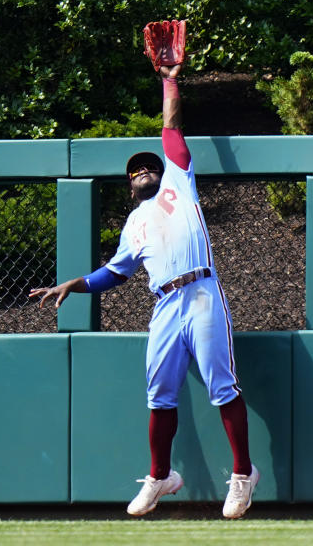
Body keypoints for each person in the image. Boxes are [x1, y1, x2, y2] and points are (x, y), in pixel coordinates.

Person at [29, 59, 259, 519]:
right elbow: (116, 273)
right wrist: (76, 284)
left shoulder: (179, 180)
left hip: (200, 292)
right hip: (165, 305)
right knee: (159, 396)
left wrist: (169, 79)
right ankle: (160, 476)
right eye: (134, 173)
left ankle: (242, 474)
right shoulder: (133, 224)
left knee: (222, 385)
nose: (141, 173)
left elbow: (171, 127)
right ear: (128, 187)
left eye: (146, 168)